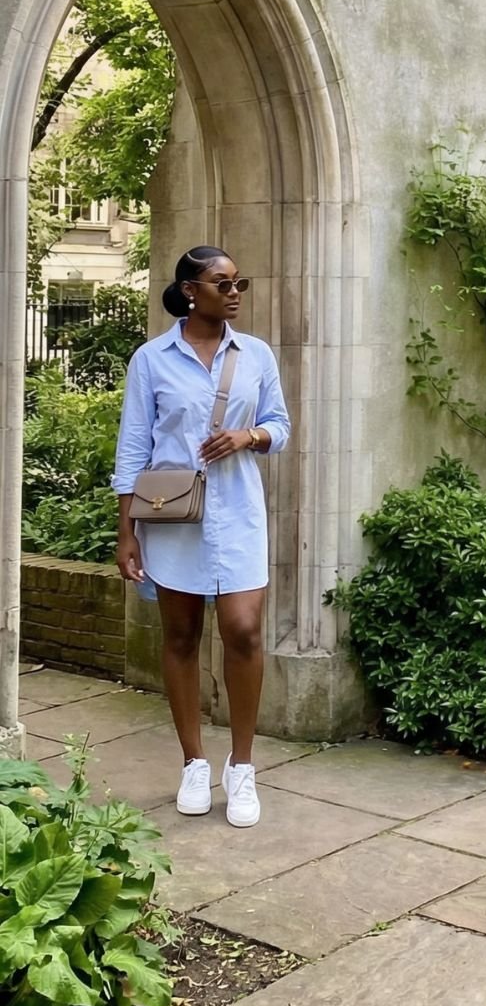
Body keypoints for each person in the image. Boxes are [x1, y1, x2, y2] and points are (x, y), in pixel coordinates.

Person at [113, 246, 290, 827]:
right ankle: (194, 762)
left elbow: (281, 426)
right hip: (171, 516)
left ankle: (241, 766)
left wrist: (250, 437)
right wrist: (127, 531)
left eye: (241, 281)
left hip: (237, 512)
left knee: (242, 630)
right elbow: (134, 446)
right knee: (182, 635)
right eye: (223, 282)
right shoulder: (151, 359)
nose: (235, 291)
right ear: (191, 290)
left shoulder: (256, 354)